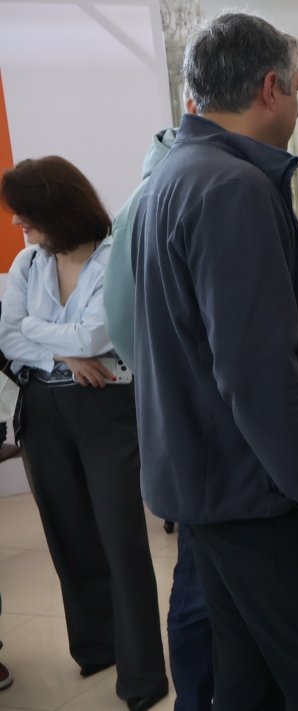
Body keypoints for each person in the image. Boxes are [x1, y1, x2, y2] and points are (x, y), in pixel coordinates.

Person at [131, 12, 298, 710]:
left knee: (247, 685)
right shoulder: (232, 187)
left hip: (214, 493)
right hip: (264, 501)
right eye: (297, 88)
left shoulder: (171, 177)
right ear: (270, 88)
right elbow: (259, 374)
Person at [0, 156, 169, 711]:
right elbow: (8, 337)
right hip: (42, 410)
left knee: (121, 538)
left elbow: (97, 334)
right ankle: (96, 647)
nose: (19, 225)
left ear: (58, 209)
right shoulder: (27, 263)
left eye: (27, 214)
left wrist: (42, 334)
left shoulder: (115, 257)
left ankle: (143, 677)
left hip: (105, 407)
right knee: (67, 533)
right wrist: (64, 354)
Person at [103, 123, 213, 711]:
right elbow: (123, 323)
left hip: (187, 415)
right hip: (202, 421)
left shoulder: (160, 189)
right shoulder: (179, 192)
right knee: (199, 583)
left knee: (201, 579)